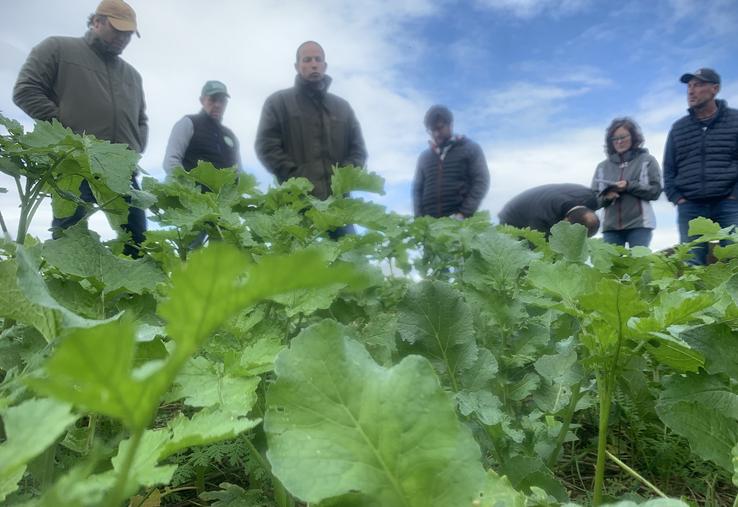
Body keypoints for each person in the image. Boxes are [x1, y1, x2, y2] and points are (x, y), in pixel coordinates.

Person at [13, 0, 147, 257]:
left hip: (121, 170)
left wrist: (136, 149)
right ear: (97, 22)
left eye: (128, 34)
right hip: (75, 162)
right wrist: (65, 131)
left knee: (137, 239)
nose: (123, 39)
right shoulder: (58, 48)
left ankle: (126, 295)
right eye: (117, 30)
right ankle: (57, 293)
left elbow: (141, 120)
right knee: (68, 237)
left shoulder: (132, 75)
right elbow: (26, 90)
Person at [254, 40, 367, 201]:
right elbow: (266, 146)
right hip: (296, 203)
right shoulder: (278, 102)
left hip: (339, 205)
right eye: (307, 60)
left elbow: (358, 150)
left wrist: (342, 179)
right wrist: (297, 180)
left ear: (325, 66)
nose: (314, 64)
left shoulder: (343, 107)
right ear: (297, 66)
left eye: (318, 59)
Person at [663, 68, 738, 265]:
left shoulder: (735, 120)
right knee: (691, 262)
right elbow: (669, 168)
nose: (691, 91)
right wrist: (677, 198)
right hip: (690, 205)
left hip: (729, 202)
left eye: (698, 85)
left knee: (735, 258)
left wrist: (735, 194)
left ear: (715, 89)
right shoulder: (678, 128)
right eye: (689, 86)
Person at [591, 118, 662, 248]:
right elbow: (593, 200)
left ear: (633, 137)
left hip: (640, 225)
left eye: (623, 137)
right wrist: (606, 197)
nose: (619, 142)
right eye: (615, 139)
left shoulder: (647, 160)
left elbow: (655, 191)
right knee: (612, 267)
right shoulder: (602, 167)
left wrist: (629, 185)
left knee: (640, 265)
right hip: (610, 228)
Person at [413, 105, 490, 219]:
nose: (436, 134)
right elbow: (417, 190)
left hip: (461, 222)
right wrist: (419, 218)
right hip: (430, 224)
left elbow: (481, 181)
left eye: (439, 128)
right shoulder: (424, 157)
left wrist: (464, 213)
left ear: (451, 125)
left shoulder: (470, 148)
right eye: (432, 130)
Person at [163, 80, 242, 174]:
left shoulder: (230, 135)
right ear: (202, 100)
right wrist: (185, 186)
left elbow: (239, 171)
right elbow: (171, 161)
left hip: (227, 189)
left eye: (222, 101)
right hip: (192, 188)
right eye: (212, 99)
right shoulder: (189, 123)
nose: (217, 105)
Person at [498, 183, 601, 237]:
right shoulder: (542, 218)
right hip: (512, 218)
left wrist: (609, 195)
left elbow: (600, 198)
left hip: (541, 199)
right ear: (566, 221)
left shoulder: (589, 197)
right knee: (530, 256)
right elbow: (541, 247)